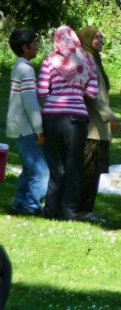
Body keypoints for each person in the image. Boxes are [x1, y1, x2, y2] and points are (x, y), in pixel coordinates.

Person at [38, 25, 99, 220]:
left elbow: (41, 92)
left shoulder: (49, 60)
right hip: (77, 118)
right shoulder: (88, 61)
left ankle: (50, 211)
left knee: (55, 167)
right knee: (74, 166)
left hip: (52, 117)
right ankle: (69, 212)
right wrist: (77, 90)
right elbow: (92, 93)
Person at [76, 26, 119, 224]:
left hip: (97, 122)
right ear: (87, 38)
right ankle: (81, 210)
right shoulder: (86, 59)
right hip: (92, 123)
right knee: (88, 169)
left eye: (102, 37)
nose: (101, 40)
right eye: (97, 37)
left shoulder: (93, 58)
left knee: (92, 170)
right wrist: (109, 115)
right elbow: (90, 93)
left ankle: (84, 208)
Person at [6, 28, 49, 217]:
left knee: (28, 168)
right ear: (25, 47)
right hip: (26, 127)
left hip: (17, 125)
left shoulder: (19, 65)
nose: (38, 46)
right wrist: (40, 130)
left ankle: (19, 204)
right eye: (35, 42)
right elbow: (30, 102)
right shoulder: (26, 69)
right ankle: (31, 206)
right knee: (41, 171)